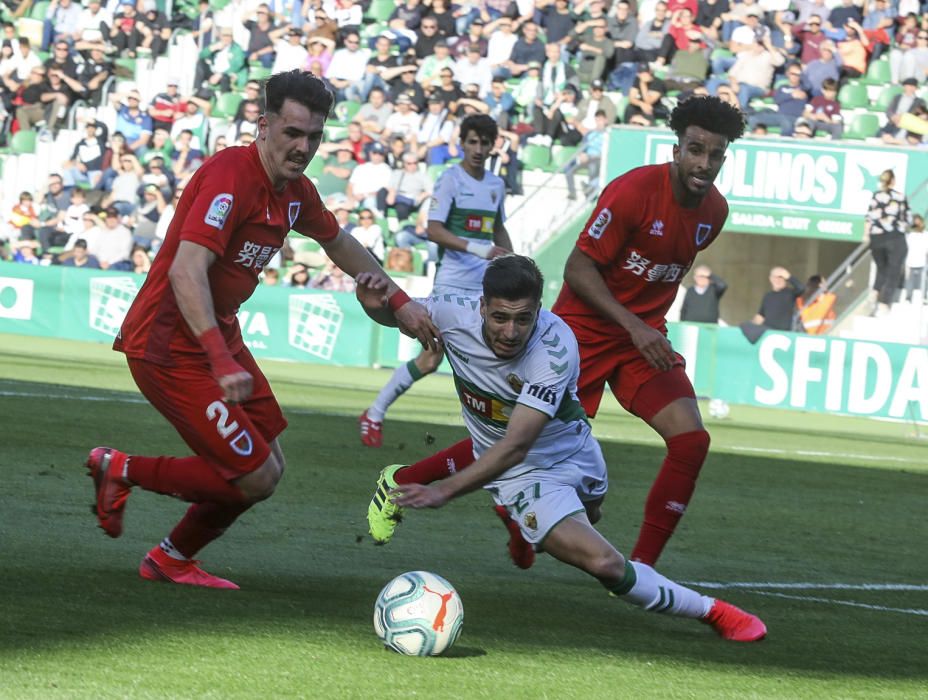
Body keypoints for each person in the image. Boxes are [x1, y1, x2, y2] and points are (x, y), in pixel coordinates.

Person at [83, 69, 438, 590]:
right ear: (264, 124)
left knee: (268, 464)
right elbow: (186, 270)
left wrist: (400, 301)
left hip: (216, 336)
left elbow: (340, 243)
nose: (303, 146)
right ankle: (122, 471)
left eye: (314, 136)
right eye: (293, 132)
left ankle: (170, 559)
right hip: (169, 344)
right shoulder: (231, 174)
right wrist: (219, 357)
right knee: (252, 474)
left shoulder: (295, 191)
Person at [366, 96, 746, 570]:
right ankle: (400, 480)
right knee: (522, 437)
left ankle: (643, 567)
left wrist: (643, 329)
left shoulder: (715, 212)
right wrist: (631, 323)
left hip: (641, 342)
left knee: (691, 440)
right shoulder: (632, 192)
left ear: (725, 158)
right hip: (585, 333)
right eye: (695, 149)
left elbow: (654, 279)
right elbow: (578, 267)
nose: (703, 162)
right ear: (677, 149)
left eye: (714, 154)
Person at [356, 255, 766, 643]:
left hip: (575, 453)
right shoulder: (448, 313)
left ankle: (522, 525)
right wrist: (372, 304)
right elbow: (396, 315)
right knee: (604, 563)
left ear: (540, 310)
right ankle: (714, 613)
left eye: (523, 319)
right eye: (500, 317)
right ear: (481, 307)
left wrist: (445, 489)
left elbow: (517, 443)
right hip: (522, 476)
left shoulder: (554, 348)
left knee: (590, 516)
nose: (511, 332)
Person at [358, 114, 512, 448]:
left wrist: (514, 264)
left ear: (491, 146)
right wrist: (478, 248)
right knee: (432, 359)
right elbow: (434, 229)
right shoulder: (449, 180)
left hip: (483, 290)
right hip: (451, 287)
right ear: (462, 143)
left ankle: (493, 446)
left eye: (484, 143)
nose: (478, 148)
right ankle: (375, 413)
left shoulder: (496, 185)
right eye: (472, 141)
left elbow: (498, 228)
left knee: (482, 361)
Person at [865, 169, 911, 317]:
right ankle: (884, 303)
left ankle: (874, 292)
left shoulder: (876, 196)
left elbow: (869, 217)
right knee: (894, 270)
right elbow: (907, 218)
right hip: (895, 236)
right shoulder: (900, 197)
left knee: (882, 268)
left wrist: (866, 235)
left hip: (876, 238)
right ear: (893, 181)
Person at [904, 214, 927, 304]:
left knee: (924, 280)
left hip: (923, 262)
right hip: (910, 262)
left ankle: (924, 297)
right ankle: (908, 297)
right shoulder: (909, 235)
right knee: (909, 280)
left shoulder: (926, 235)